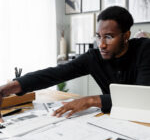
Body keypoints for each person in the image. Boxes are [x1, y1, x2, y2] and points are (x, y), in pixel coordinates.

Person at [0, 6, 150, 121]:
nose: (101, 45)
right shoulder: (94, 57)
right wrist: (6, 89)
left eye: (109, 37)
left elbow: (142, 98)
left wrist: (90, 100)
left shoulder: (145, 49)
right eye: (99, 37)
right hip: (114, 119)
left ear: (126, 36)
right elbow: (54, 74)